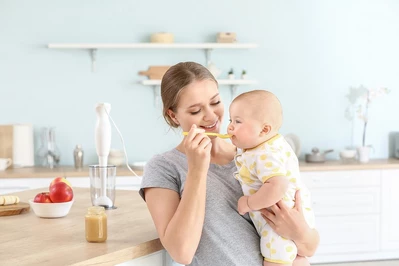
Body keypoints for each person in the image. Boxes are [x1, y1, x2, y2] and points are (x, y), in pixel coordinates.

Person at [139, 62, 319, 266]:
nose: (211, 116)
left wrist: (299, 231)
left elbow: (309, 248)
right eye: (196, 110)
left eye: (215, 102)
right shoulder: (164, 167)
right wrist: (197, 169)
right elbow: (182, 252)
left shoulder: (256, 154)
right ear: (173, 115)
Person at [227, 90, 315, 266]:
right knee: (297, 259)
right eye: (230, 121)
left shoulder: (265, 153)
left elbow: (278, 185)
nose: (230, 127)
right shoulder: (265, 144)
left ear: (264, 129)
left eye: (237, 121)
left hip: (278, 222)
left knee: (274, 260)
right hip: (291, 220)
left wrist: (249, 203)